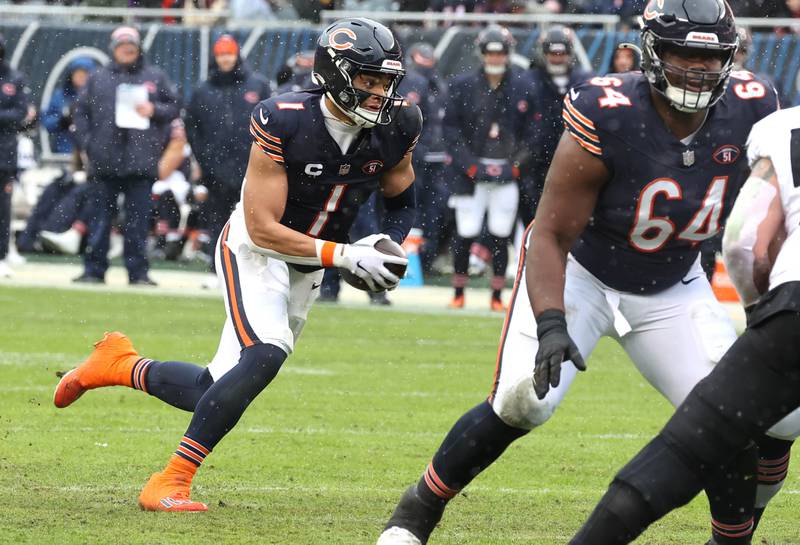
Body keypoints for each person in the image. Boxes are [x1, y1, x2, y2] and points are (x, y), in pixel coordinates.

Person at [376, 1, 785, 544]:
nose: (697, 69)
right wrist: (550, 322)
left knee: (728, 418)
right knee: (523, 400)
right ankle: (419, 508)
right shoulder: (608, 109)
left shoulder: (753, 107)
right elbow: (549, 232)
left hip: (673, 282)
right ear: (652, 52)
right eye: (683, 53)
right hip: (583, 272)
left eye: (710, 58)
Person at [53, 17, 420, 512]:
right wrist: (346, 254)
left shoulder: (400, 124)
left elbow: (402, 200)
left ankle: (118, 365)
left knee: (216, 384)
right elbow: (264, 228)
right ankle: (171, 479)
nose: (379, 93)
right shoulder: (284, 118)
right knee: (266, 353)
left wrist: (387, 247)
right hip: (256, 248)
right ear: (333, 73)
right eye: (367, 79)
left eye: (385, 82)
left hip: (310, 263)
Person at [568, 105, 800, 545]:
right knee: (777, 431)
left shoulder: (783, 127)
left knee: (689, 447)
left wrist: (765, 324)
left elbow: (744, 243)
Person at [72, 26, 180, 285]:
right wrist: (89, 144)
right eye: (122, 45)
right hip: (104, 162)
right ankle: (94, 270)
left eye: (131, 45)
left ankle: (138, 272)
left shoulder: (154, 76)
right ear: (114, 48)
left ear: (138, 47)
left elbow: (175, 106)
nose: (127, 50)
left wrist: (154, 109)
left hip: (141, 162)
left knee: (138, 223)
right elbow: (80, 114)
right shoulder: (97, 78)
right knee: (99, 220)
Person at [445, 25, 532, 311]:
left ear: (508, 53)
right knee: (465, 231)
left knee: (500, 233)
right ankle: (459, 292)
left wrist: (517, 166)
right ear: (482, 53)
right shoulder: (463, 85)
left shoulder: (523, 85)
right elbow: (451, 131)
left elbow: (535, 132)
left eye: (500, 52)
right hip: (471, 172)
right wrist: (469, 165)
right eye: (490, 52)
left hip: (507, 170)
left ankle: (496, 296)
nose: (495, 58)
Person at [184, 34, 271, 288]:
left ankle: (252, 272)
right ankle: (217, 270)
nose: (225, 59)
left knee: (253, 221)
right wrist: (205, 159)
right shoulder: (203, 90)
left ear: (237, 55)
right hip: (215, 170)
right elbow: (193, 128)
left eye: (229, 53)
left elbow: (270, 122)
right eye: (221, 54)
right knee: (217, 221)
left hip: (251, 167)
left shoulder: (257, 85)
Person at [520, 24, 593, 226]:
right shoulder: (528, 80)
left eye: (561, 53)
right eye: (553, 53)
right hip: (534, 160)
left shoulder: (584, 80)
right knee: (532, 217)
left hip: (574, 156)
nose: (557, 58)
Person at [397, 43, 450, 275]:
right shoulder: (409, 83)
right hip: (413, 157)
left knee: (434, 211)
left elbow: (439, 121)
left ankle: (425, 262)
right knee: (410, 208)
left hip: (436, 158)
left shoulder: (439, 85)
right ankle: (405, 261)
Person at [0, 33, 31, 279]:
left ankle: (1, 255)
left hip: (3, 153)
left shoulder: (14, 78)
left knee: (2, 207)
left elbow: (20, 113)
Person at [42, 57, 95, 154]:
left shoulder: (98, 96)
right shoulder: (60, 95)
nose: (81, 77)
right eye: (78, 73)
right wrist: (62, 119)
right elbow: (47, 123)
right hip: (64, 152)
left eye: (85, 74)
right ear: (71, 75)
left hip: (92, 153)